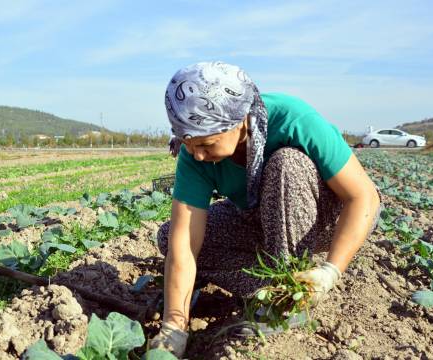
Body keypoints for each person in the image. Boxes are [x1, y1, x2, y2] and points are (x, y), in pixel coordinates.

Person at [149, 62, 382, 357]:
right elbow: (184, 243)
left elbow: (364, 197)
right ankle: (269, 287)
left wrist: (330, 271)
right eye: (188, 142)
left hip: (327, 217)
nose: (197, 154)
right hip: (259, 217)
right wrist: (174, 326)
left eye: (207, 144)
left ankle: (288, 300)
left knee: (287, 164)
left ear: (240, 122)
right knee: (169, 237)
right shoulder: (194, 155)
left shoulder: (292, 118)